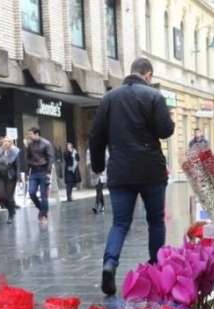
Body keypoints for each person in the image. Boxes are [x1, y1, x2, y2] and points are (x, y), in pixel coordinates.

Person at [89, 57, 175, 296]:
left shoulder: (109, 98)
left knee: (120, 223)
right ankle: (156, 269)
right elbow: (165, 131)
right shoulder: (154, 97)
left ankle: (110, 263)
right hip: (151, 170)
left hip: (120, 170)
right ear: (148, 75)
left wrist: (98, 165)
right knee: (155, 221)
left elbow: (96, 135)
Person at [25, 127, 55, 225]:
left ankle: (43, 215)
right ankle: (42, 210)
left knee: (43, 196)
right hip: (33, 172)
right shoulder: (30, 145)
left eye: (30, 134)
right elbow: (27, 157)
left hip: (44, 171)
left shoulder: (46, 143)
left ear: (37, 134)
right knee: (31, 192)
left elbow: (51, 158)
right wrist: (30, 165)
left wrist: (48, 173)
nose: (29, 136)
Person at [0, 136, 20, 224]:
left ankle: (10, 216)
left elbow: (18, 165)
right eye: (4, 141)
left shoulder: (15, 152)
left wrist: (19, 176)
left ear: (11, 143)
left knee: (9, 196)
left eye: (8, 141)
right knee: (1, 196)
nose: (6, 143)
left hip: (11, 177)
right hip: (1, 177)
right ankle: (11, 209)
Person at [87, 148, 107, 214]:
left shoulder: (103, 149)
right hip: (94, 173)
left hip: (102, 173)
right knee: (99, 190)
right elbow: (88, 163)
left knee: (99, 189)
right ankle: (103, 206)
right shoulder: (89, 150)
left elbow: (107, 159)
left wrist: (101, 168)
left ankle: (96, 205)